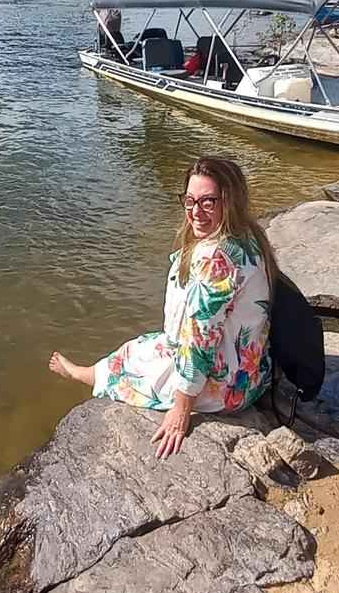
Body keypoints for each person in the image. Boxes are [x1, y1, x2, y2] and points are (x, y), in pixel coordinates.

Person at [48, 156, 277, 458]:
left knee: (136, 368)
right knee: (139, 347)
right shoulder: (247, 236)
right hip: (254, 371)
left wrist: (182, 411)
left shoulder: (217, 261)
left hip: (226, 387)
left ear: (229, 201)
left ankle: (83, 375)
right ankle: (88, 372)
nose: (196, 212)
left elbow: (199, 342)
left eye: (208, 202)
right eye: (190, 200)